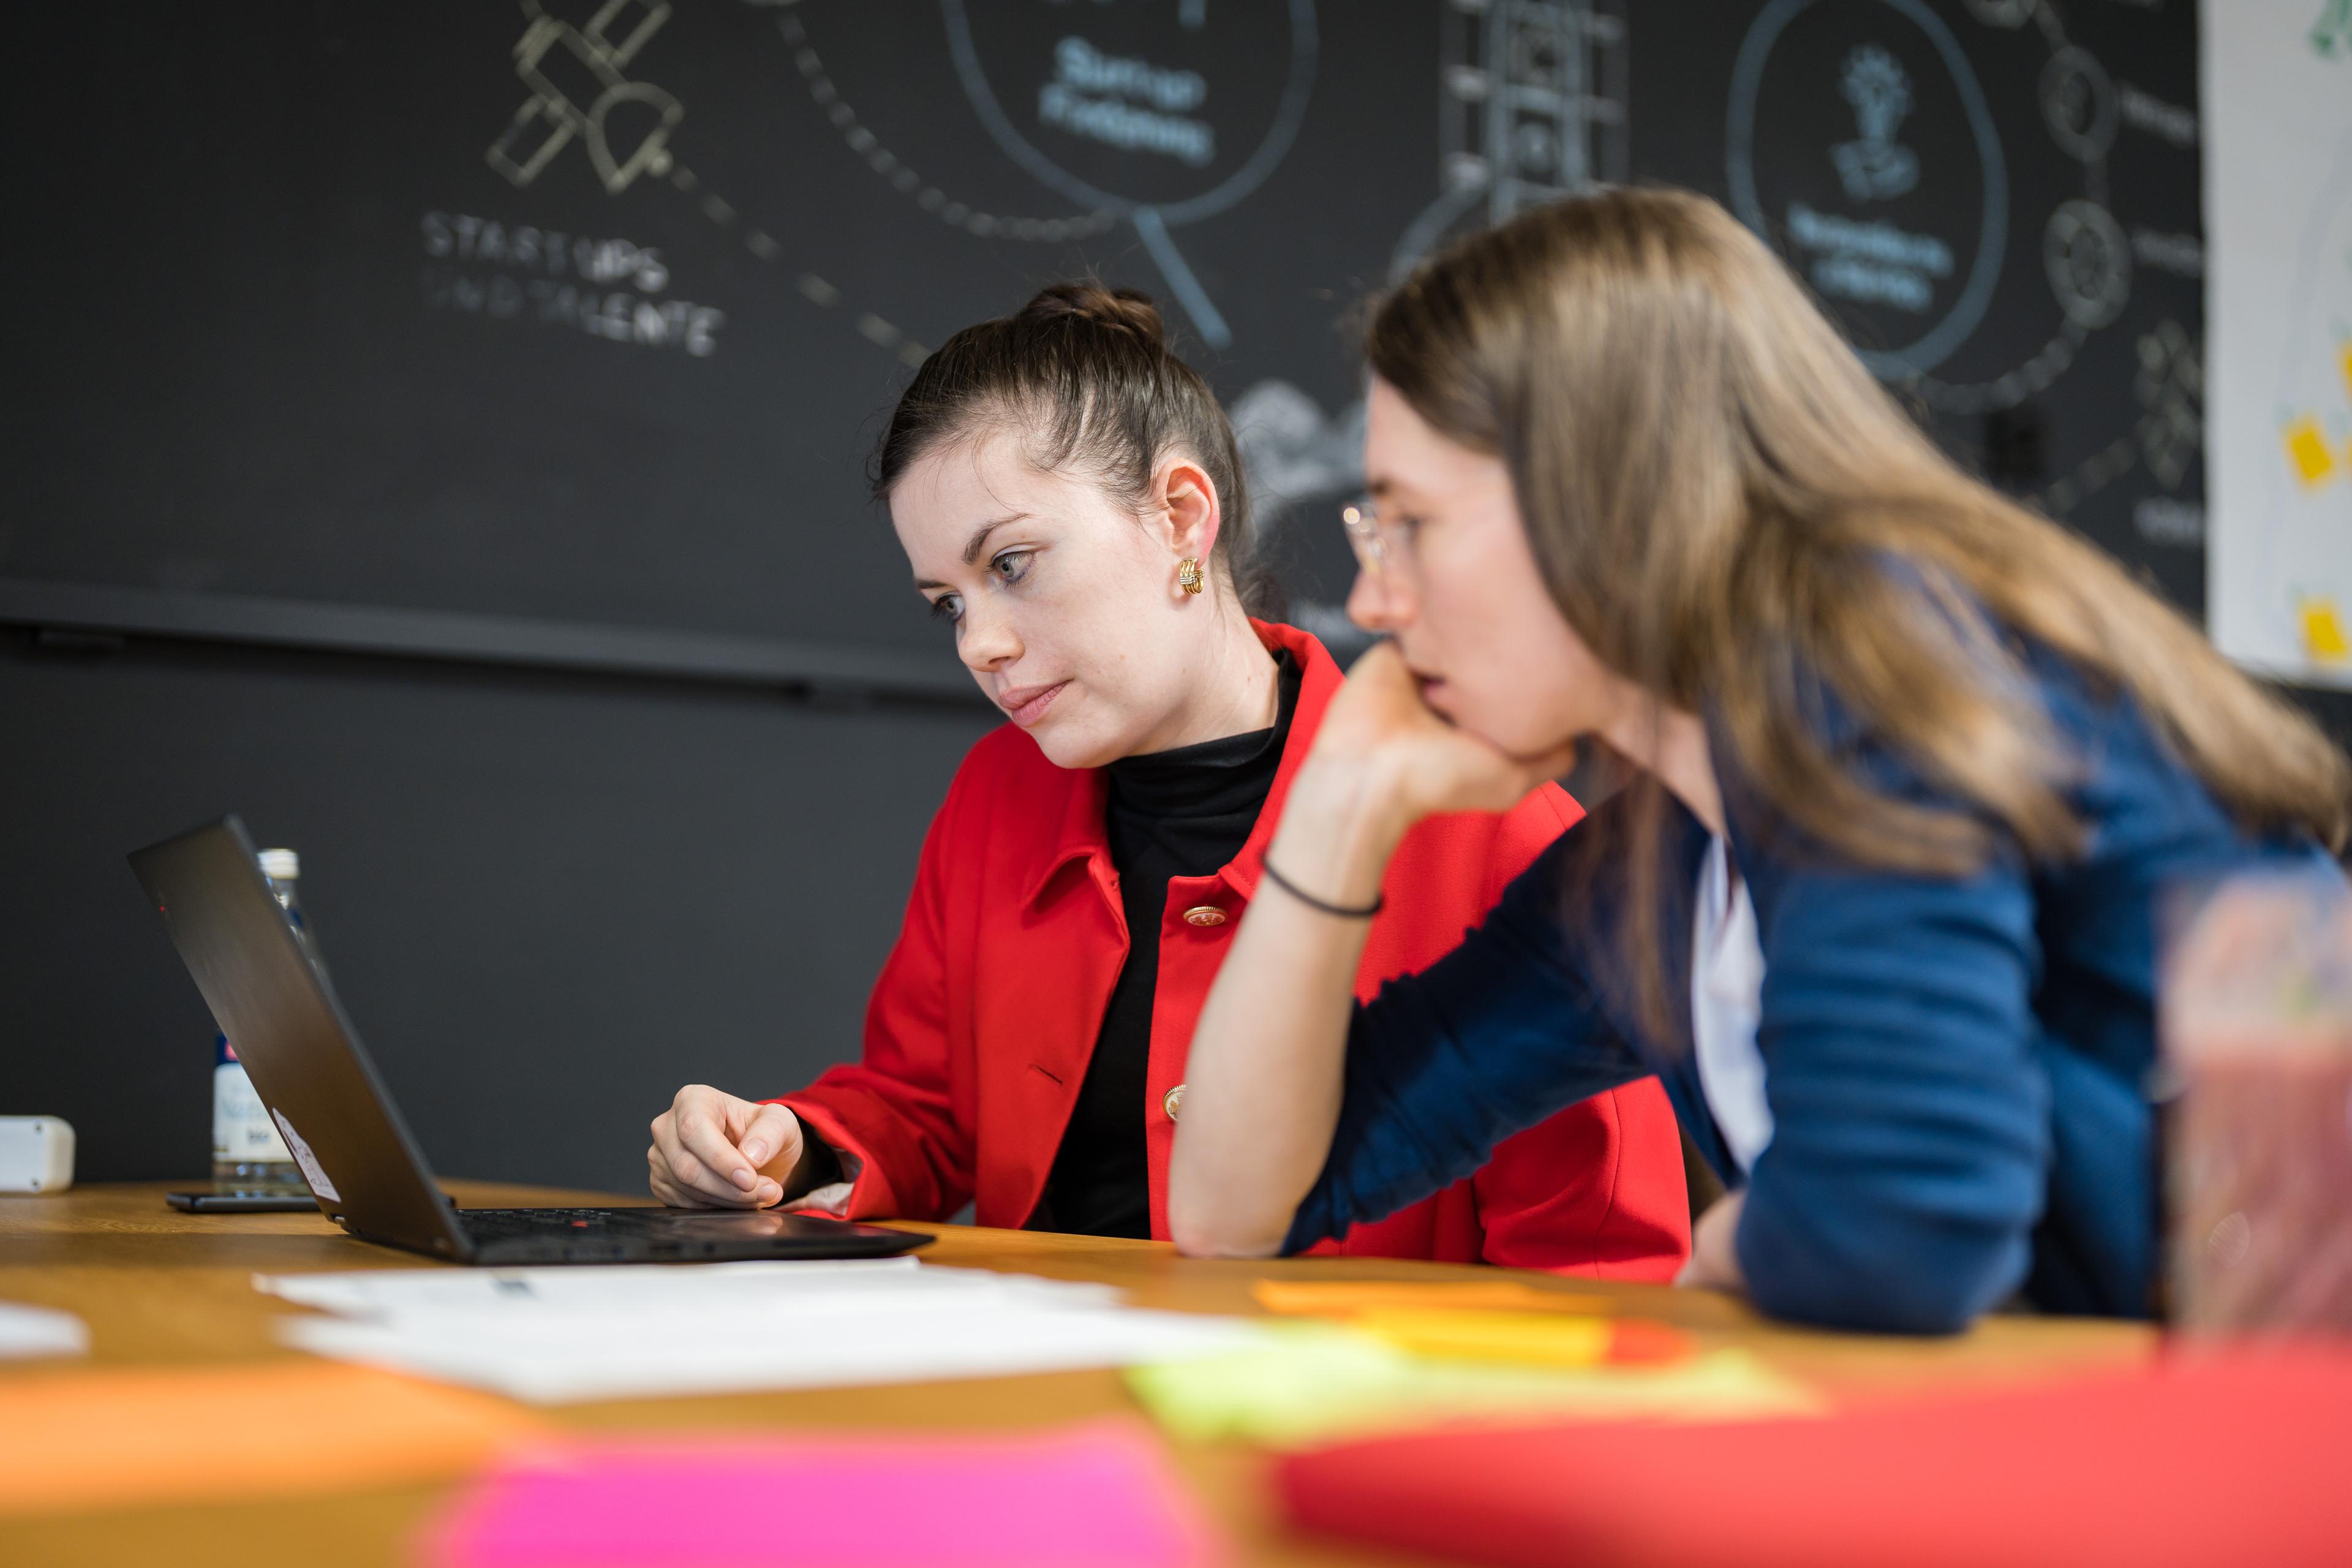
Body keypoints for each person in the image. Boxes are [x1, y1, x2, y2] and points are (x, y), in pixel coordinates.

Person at [1165, 189, 2352, 1333]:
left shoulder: (1870, 692)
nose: (1373, 602)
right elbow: (1236, 1205)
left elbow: (1903, 1224)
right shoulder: (1661, 864)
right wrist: (1337, 813)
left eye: (1411, 525)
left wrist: (1726, 1251)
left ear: (1608, 499)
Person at [644, 282, 1689, 1276]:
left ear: (1183, 516)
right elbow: (927, 1105)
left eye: (1010, 564)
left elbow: (1598, 1273)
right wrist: (791, 1150)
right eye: (947, 604)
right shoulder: (995, 794)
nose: (979, 644)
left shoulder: (1505, 838)